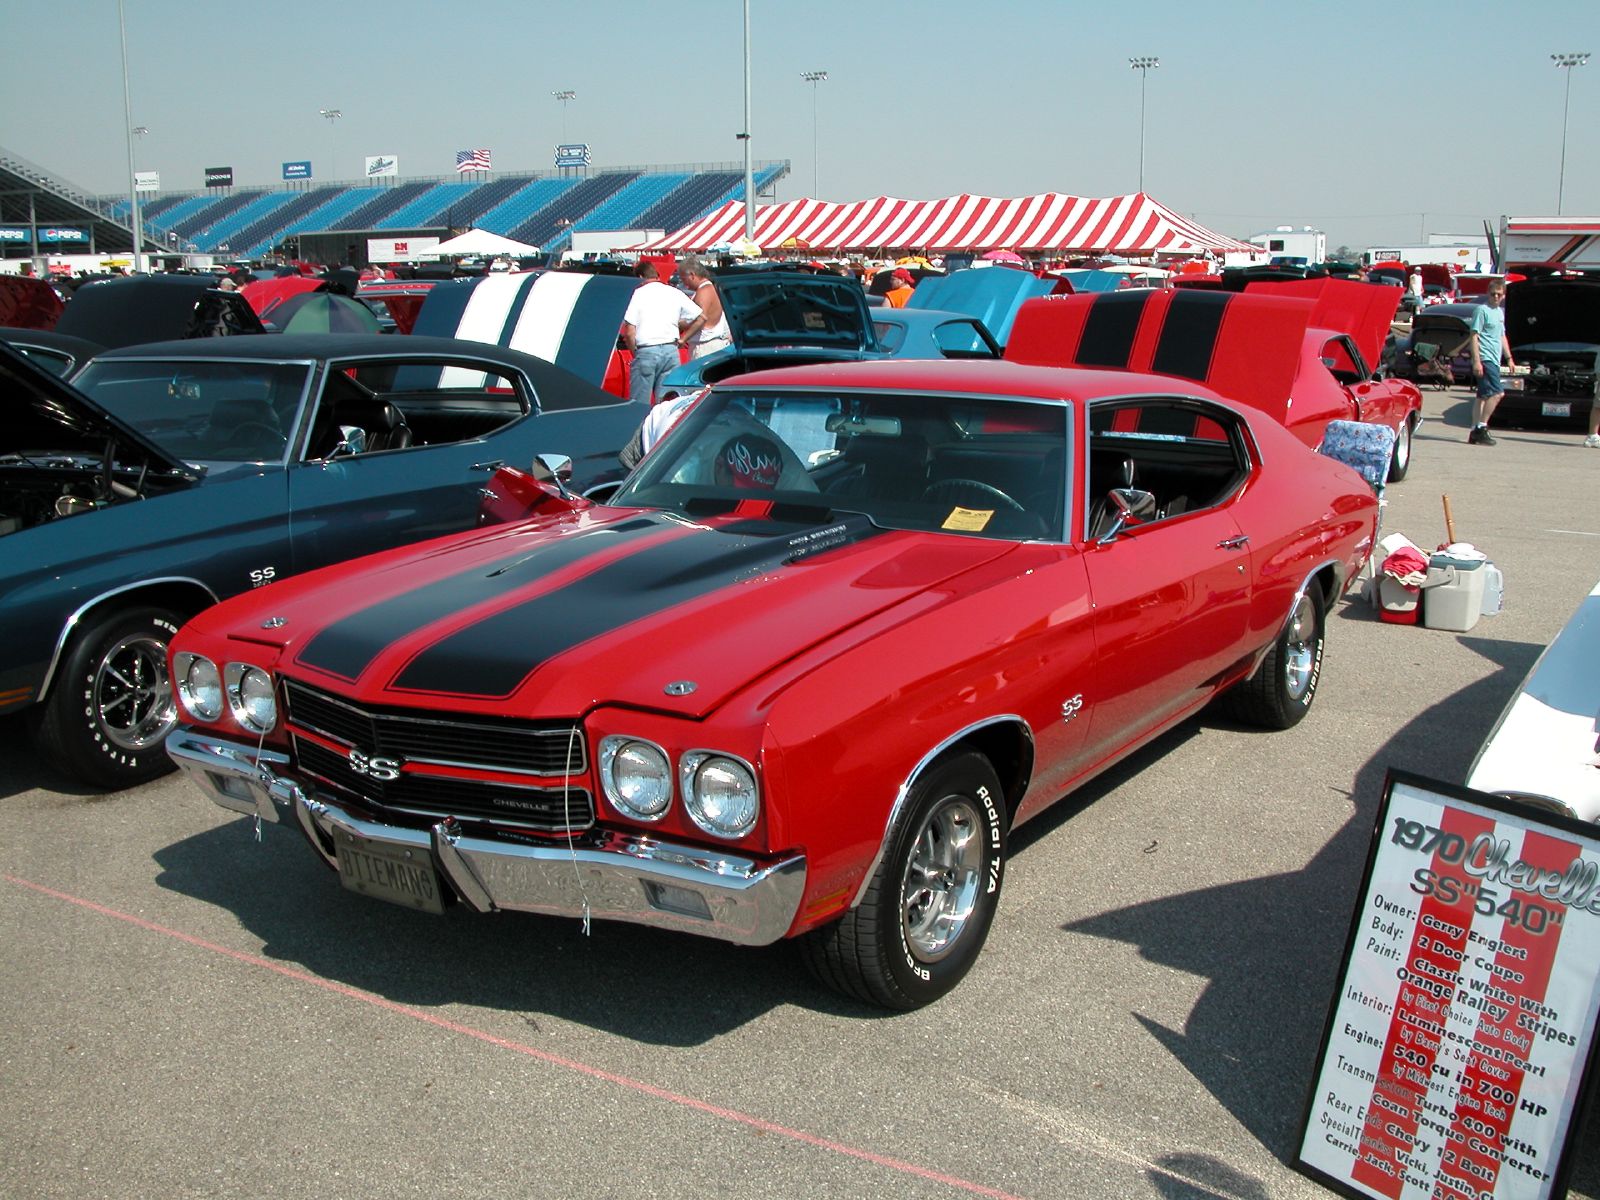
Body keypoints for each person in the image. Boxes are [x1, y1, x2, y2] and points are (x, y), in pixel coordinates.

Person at [622, 260, 704, 405]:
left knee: (639, 404)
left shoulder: (638, 294)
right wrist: (683, 338)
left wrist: (634, 351)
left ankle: (639, 427)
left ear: (640, 277)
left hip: (647, 349)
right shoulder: (673, 292)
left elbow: (629, 331)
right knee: (667, 404)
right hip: (670, 350)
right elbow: (701, 317)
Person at [1466, 282, 1515, 445]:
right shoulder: (1481, 310)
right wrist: (1477, 361)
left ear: (1504, 296)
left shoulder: (1499, 312)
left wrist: (1509, 358)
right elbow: (1474, 336)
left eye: (1499, 294)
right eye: (1493, 293)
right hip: (1485, 358)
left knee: (1482, 396)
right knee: (1497, 393)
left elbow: (1502, 336)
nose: (1495, 297)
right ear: (1488, 293)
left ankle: (1474, 431)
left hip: (1495, 358)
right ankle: (1482, 427)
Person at [678, 254, 730, 359]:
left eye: (683, 279)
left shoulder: (704, 291)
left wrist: (683, 338)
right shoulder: (710, 288)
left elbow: (701, 318)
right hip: (710, 344)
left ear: (692, 275)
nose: (684, 283)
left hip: (704, 347)